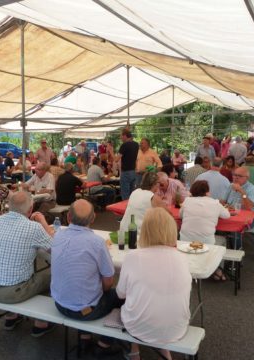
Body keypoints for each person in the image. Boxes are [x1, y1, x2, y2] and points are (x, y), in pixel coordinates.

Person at [117, 207, 191, 360]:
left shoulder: (134, 257)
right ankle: (164, 352)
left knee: (133, 299)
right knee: (160, 299)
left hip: (138, 327)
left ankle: (134, 351)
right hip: (176, 328)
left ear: (144, 230)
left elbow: (120, 293)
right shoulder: (182, 258)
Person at [51, 199, 123, 355]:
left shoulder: (57, 236)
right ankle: (105, 343)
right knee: (122, 295)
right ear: (93, 218)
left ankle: (85, 337)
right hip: (85, 311)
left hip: (60, 304)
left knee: (82, 286)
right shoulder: (97, 242)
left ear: (68, 217)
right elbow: (108, 282)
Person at [0, 191, 54, 336]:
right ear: (30, 209)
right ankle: (41, 323)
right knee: (52, 276)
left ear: (9, 206)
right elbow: (56, 248)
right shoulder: (33, 227)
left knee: (14, 271)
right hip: (12, 292)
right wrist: (43, 221)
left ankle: (11, 316)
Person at [112, 129, 139, 200]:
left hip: (126, 172)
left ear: (125, 136)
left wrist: (111, 151)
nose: (120, 138)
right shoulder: (136, 144)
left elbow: (116, 159)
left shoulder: (124, 145)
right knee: (132, 194)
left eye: (121, 136)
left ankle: (125, 210)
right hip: (133, 171)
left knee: (125, 195)